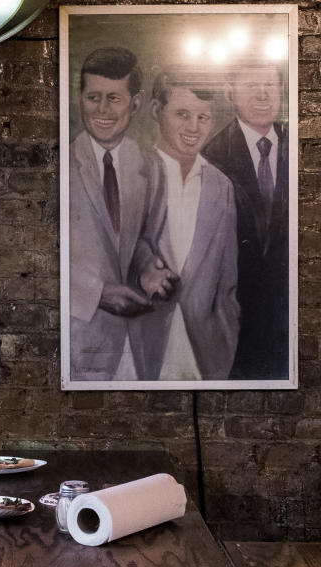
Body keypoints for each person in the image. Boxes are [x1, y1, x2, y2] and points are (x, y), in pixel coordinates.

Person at [68, 47, 172, 381]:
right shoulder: (59, 167)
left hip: (138, 351)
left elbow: (141, 240)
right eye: (92, 96)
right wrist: (98, 294)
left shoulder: (151, 165)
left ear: (137, 103)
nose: (101, 109)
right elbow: (33, 260)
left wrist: (149, 270)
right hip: (76, 348)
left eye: (113, 98)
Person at [130, 68, 240, 380]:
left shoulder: (222, 187)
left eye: (203, 117)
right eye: (181, 114)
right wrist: (142, 266)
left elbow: (228, 284)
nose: (193, 127)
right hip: (138, 346)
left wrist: (225, 341)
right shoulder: (132, 171)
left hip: (205, 354)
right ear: (155, 110)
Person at [203, 60, 289, 379]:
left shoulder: (298, 145)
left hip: (290, 315)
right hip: (237, 317)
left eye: (270, 84)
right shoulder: (213, 156)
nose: (263, 93)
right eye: (252, 85)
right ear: (230, 93)